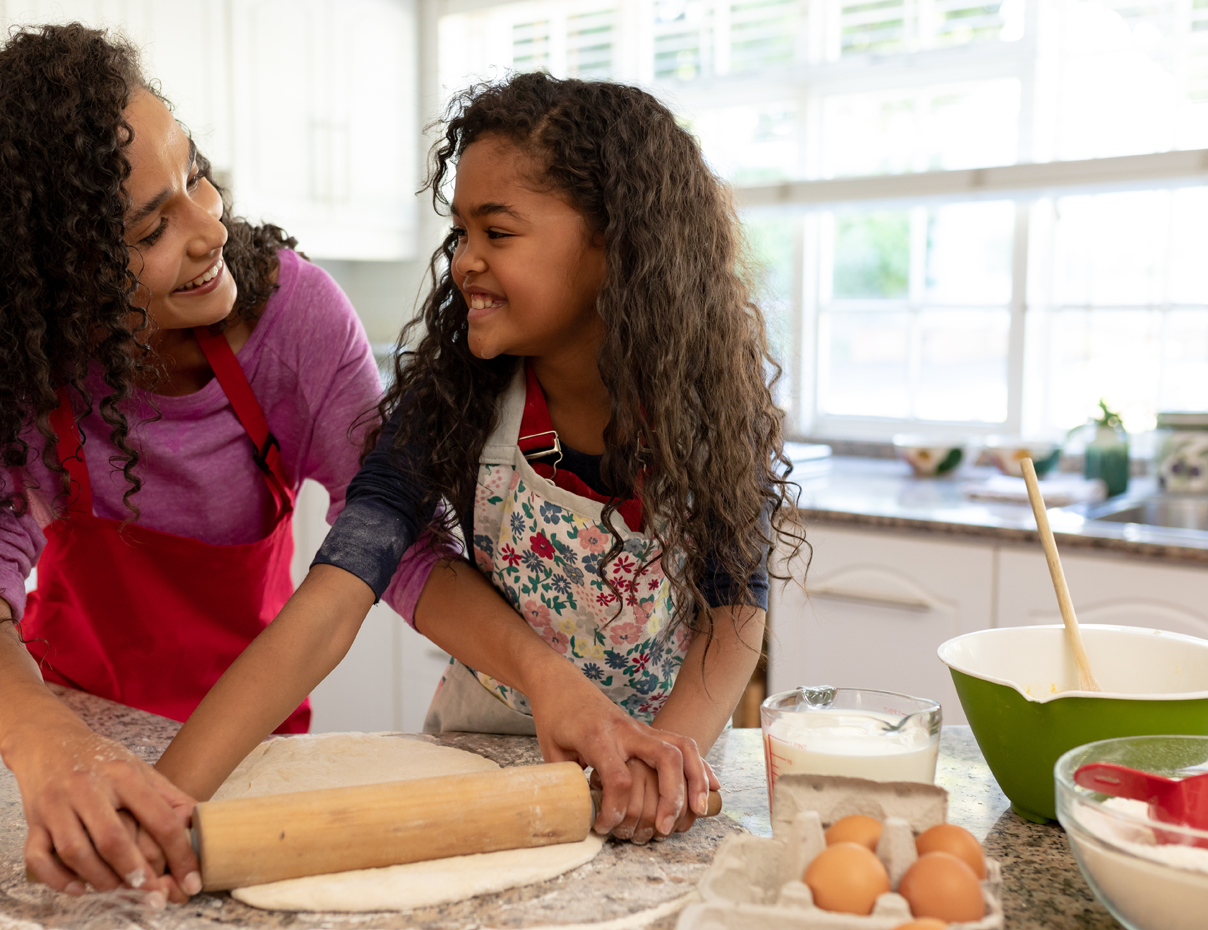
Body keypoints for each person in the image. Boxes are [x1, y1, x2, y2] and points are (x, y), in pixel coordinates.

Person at [0, 25, 402, 904]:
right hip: (74, 738)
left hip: (255, 750)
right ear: (53, 286)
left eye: (196, 175)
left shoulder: (292, 321)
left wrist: (179, 786)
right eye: (153, 226)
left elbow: (389, 529)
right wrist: (52, 752)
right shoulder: (19, 376)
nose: (211, 229)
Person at [156, 72, 802, 846]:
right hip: (480, 765)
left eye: (497, 234)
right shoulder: (451, 400)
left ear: (617, 248)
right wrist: (163, 801)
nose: (464, 262)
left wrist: (668, 754)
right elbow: (334, 597)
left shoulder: (712, 413)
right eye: (460, 233)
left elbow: (734, 609)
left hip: (658, 771)